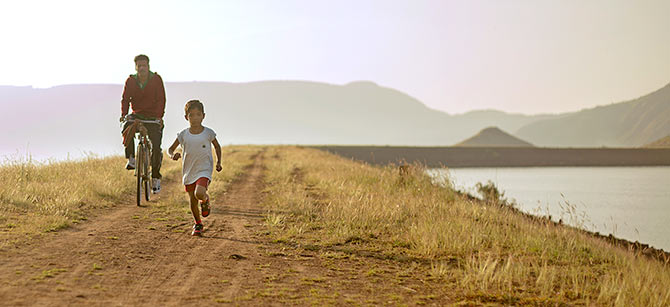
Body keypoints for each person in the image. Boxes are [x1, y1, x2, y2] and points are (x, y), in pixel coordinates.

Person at [167, 100, 222, 236]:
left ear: (203, 116)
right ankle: (198, 224)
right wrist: (173, 155)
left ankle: (205, 199)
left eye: (198, 115)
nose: (195, 118)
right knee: (192, 200)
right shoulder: (183, 135)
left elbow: (217, 146)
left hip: (204, 169)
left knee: (199, 193)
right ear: (186, 117)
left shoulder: (208, 133)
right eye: (191, 115)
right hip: (189, 171)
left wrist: (219, 162)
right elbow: (170, 149)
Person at [120, 54, 166, 193]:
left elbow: (161, 99)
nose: (141, 68)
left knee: (156, 147)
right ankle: (132, 158)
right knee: (127, 128)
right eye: (139, 66)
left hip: (153, 117)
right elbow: (125, 99)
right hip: (137, 115)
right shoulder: (131, 80)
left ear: (148, 66)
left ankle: (156, 178)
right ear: (136, 67)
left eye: (144, 65)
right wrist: (123, 115)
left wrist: (158, 117)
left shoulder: (156, 79)